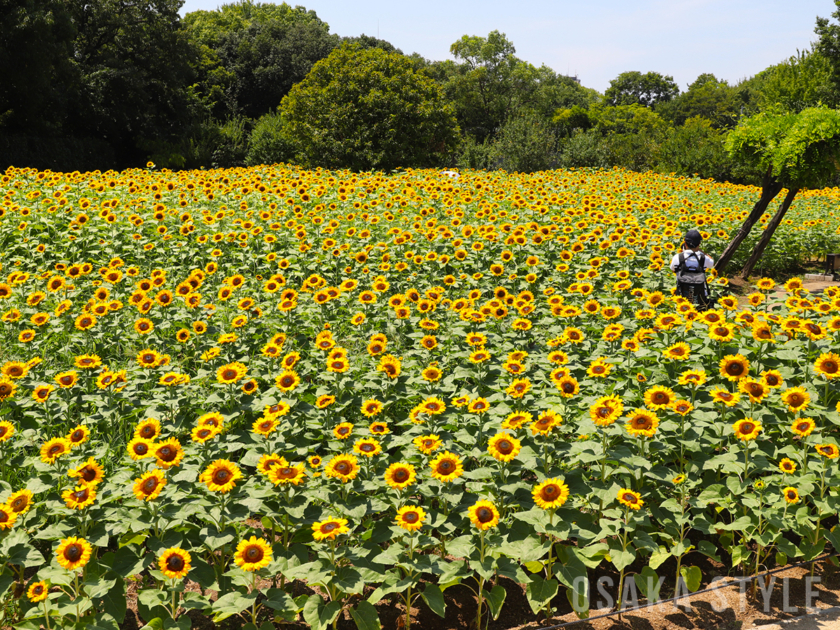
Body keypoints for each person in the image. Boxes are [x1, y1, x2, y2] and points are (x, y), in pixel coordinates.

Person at [669, 229, 714, 310]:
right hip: (700, 295)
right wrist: (702, 252)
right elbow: (712, 263)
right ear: (699, 244)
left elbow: (673, 269)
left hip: (681, 296)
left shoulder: (678, 257)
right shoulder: (703, 258)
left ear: (685, 243)